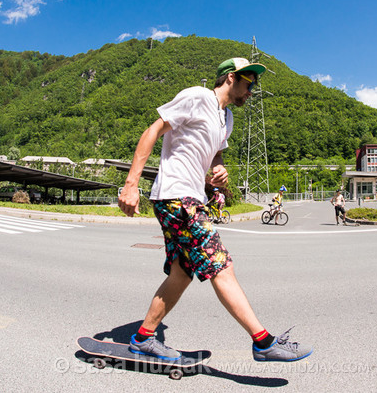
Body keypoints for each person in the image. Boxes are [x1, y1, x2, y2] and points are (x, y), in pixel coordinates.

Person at [118, 57, 312, 363]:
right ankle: (263, 342)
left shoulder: (227, 119)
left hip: (192, 196)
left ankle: (143, 339)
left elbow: (215, 156)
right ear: (232, 78)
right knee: (220, 263)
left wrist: (219, 173)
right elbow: (153, 130)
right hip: (176, 195)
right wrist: (130, 185)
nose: (252, 91)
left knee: (182, 274)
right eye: (250, 83)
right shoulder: (197, 97)